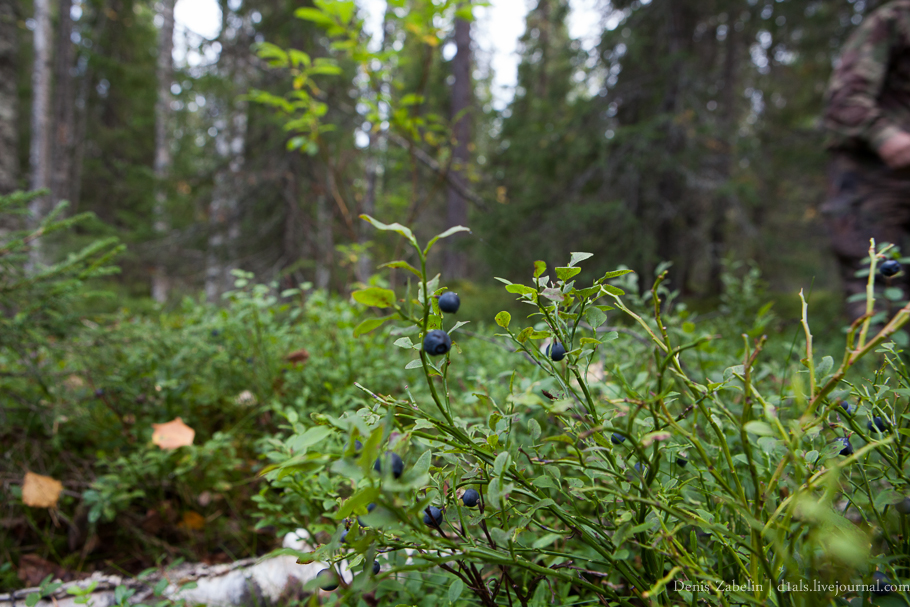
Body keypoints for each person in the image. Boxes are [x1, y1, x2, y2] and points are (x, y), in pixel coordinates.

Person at [822, 0, 910, 320]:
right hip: (873, 178)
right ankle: (877, 368)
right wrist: (885, 136)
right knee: (880, 284)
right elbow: (844, 100)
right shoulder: (895, 21)